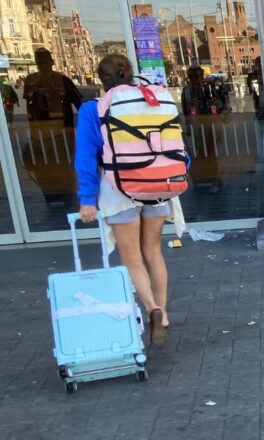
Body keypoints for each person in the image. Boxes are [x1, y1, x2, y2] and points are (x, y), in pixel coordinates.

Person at [74, 54, 189, 347]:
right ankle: (163, 313)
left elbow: (86, 157)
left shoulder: (93, 108)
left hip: (118, 189)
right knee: (153, 251)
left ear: (101, 80)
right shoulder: (153, 101)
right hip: (157, 184)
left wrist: (87, 198)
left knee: (131, 257)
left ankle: (151, 307)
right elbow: (176, 145)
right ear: (130, 74)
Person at [23, 48, 82, 127]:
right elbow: (29, 105)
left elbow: (79, 103)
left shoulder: (63, 80)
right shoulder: (30, 80)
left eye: (45, 62)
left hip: (62, 124)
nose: (43, 65)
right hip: (41, 125)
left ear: (51, 62)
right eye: (40, 62)